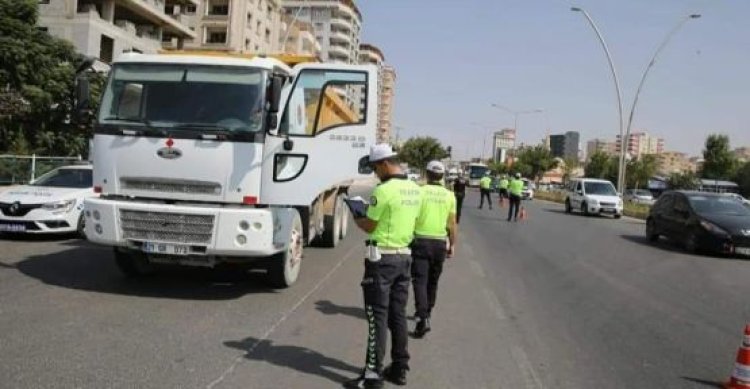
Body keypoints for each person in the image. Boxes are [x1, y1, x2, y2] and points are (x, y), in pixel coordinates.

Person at [346, 144, 421, 389]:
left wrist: (357, 213)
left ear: (383, 164)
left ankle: (372, 375)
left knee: (376, 317)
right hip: (404, 258)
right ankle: (400, 368)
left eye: (376, 168)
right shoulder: (414, 189)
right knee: (397, 315)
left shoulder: (384, 190)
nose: (376, 174)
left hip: (382, 261)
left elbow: (369, 225)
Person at [411, 161, 458, 339]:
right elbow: (452, 224)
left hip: (420, 241)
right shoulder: (449, 196)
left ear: (427, 174)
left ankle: (422, 318)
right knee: (433, 281)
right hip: (439, 244)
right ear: (442, 176)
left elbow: (412, 217)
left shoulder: (419, 192)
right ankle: (427, 312)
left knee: (419, 282)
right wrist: (452, 244)